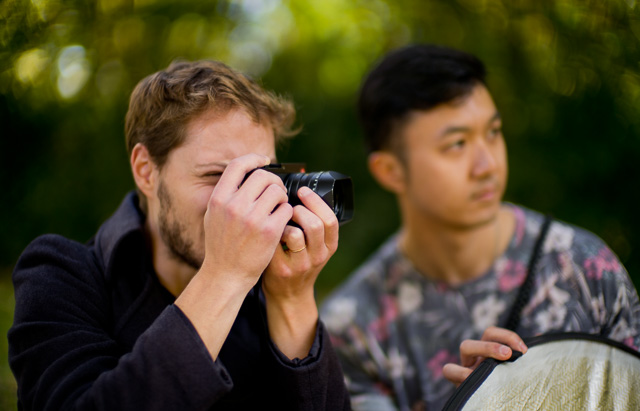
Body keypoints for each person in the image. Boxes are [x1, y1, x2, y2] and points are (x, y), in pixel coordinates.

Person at [9, 60, 350, 410]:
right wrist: (224, 276)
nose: (240, 201)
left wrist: (291, 297)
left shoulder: (266, 296)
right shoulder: (60, 275)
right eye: (217, 175)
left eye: (260, 176)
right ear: (146, 171)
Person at [320, 44, 640, 410]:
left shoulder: (585, 270)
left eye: (493, 132)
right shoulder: (354, 329)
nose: (486, 164)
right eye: (457, 144)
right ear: (390, 171)